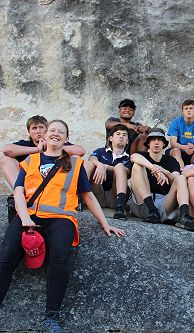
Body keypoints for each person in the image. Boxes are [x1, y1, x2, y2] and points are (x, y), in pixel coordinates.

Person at [0, 120, 125, 332]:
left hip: (60, 218)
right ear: (44, 136)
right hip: (28, 215)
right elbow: (19, 191)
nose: (56, 134)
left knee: (60, 257)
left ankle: (51, 318)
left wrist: (105, 224)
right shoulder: (30, 161)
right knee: (5, 258)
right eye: (52, 130)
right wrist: (25, 218)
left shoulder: (75, 163)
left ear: (66, 139)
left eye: (61, 132)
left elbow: (88, 196)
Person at [129, 128, 194, 231]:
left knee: (181, 178)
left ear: (164, 144)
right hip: (142, 204)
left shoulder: (172, 161)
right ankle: (152, 210)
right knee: (137, 166)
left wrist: (164, 171)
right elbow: (133, 157)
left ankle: (184, 217)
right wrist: (154, 168)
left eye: (159, 140)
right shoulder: (142, 156)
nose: (156, 142)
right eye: (153, 139)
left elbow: (176, 179)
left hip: (164, 205)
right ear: (148, 143)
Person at [1, 115, 85, 189]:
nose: (38, 131)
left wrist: (52, 146)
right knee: (6, 159)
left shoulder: (57, 142)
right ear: (29, 133)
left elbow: (80, 151)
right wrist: (37, 149)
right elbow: (6, 150)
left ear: (47, 130)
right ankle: (20, 194)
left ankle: (77, 196)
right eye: (34, 128)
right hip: (28, 185)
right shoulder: (26, 144)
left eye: (41, 127)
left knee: (77, 159)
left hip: (57, 184)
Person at [87, 124, 131, 220]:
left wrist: (105, 166)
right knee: (90, 164)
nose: (121, 137)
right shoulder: (100, 151)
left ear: (127, 141)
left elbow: (127, 172)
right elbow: (91, 159)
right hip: (97, 193)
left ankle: (120, 208)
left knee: (120, 167)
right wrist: (99, 165)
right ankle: (78, 199)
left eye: (124, 135)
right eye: (118, 134)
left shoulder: (129, 158)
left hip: (114, 197)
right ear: (111, 138)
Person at [167, 99, 194, 167]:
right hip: (179, 150)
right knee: (175, 150)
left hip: (192, 151)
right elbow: (173, 143)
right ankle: (181, 170)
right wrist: (185, 147)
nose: (188, 110)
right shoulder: (175, 123)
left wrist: (193, 148)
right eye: (186, 108)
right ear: (183, 111)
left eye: (191, 108)